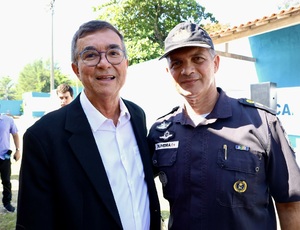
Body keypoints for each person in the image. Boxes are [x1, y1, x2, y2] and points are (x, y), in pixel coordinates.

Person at [147, 21, 300, 230]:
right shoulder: (161, 132)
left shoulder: (262, 123)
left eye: (197, 59)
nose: (187, 70)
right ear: (169, 72)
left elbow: (290, 203)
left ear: (215, 63)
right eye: (177, 63)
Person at [16, 20, 161, 230]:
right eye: (91, 55)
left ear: (125, 63)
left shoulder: (137, 117)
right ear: (76, 69)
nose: (104, 63)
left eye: (113, 53)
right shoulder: (43, 137)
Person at [0, 113, 20, 213]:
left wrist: (17, 150)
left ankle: (7, 203)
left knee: (6, 181)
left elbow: (15, 134)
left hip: (4, 157)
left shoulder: (8, 120)